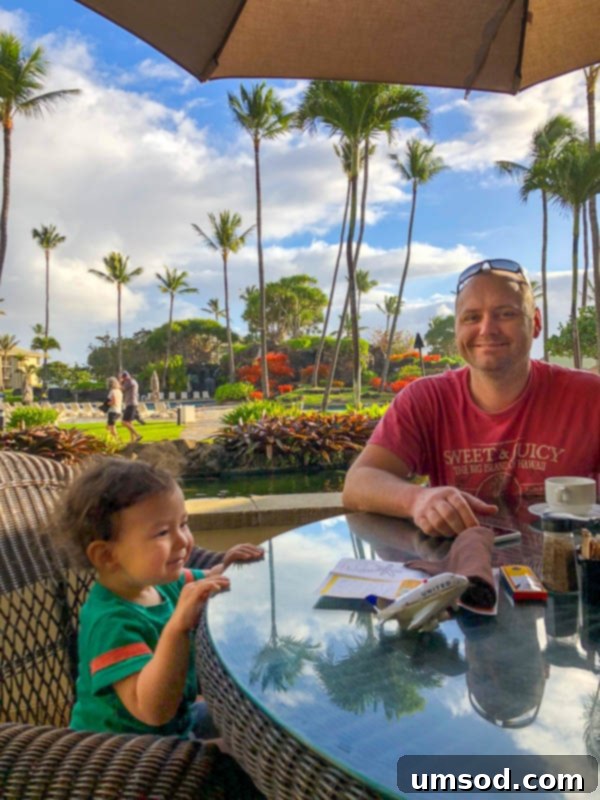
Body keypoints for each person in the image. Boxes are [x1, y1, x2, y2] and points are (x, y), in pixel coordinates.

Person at [343, 258, 600, 536]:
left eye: (506, 314)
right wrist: (418, 500)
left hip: (567, 572)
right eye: (472, 317)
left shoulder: (589, 396)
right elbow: (358, 484)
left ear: (535, 323)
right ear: (457, 329)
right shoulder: (426, 399)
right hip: (462, 571)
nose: (487, 329)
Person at [54, 457, 263, 737]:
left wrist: (225, 565)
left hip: (177, 723)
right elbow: (152, 711)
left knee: (254, 719)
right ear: (107, 555)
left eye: (184, 524)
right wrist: (177, 628)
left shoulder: (163, 583)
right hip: (127, 756)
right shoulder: (111, 622)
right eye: (163, 532)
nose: (183, 541)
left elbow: (208, 581)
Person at [120, 370, 143, 443]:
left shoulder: (129, 382)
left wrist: (119, 382)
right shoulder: (133, 381)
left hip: (131, 404)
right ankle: (132, 440)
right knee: (129, 422)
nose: (124, 378)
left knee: (124, 422)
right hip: (132, 403)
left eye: (124, 377)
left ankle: (138, 435)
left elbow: (121, 389)